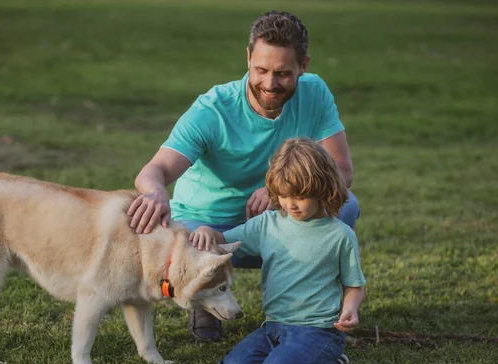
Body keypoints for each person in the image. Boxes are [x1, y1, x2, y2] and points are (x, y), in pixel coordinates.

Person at [128, 10, 360, 342]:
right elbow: (156, 170)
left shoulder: (315, 92)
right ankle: (205, 301)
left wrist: (278, 192)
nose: (269, 83)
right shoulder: (213, 110)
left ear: (303, 66)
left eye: (282, 74)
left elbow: (343, 172)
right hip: (208, 228)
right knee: (192, 239)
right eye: (261, 70)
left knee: (346, 205)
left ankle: (312, 304)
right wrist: (154, 190)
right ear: (248, 57)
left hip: (277, 218)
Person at [189, 138, 366, 364]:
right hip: (273, 326)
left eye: (300, 197)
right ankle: (286, 356)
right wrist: (208, 231)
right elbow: (223, 240)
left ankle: (334, 363)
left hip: (319, 330)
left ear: (323, 189)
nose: (290, 204)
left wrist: (350, 309)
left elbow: (354, 285)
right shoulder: (267, 224)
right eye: (283, 196)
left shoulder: (340, 235)